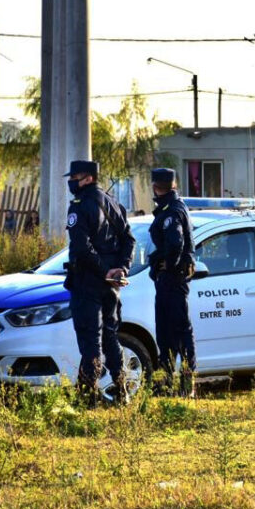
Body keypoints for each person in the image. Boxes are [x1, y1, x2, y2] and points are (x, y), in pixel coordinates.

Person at [64, 160, 135, 406]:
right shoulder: (114, 203)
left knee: (90, 339)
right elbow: (129, 241)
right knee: (111, 337)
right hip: (110, 284)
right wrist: (120, 269)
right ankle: (121, 389)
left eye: (75, 177)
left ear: (88, 178)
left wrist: (107, 271)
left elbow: (81, 247)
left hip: (88, 281)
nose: (71, 181)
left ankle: (88, 397)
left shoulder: (80, 206)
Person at [148, 168, 197, 397]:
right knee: (168, 334)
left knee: (177, 332)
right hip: (172, 280)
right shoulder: (175, 207)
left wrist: (167, 265)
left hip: (172, 281)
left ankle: (186, 385)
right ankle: (166, 383)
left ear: (156, 187)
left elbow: (176, 242)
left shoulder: (171, 212)